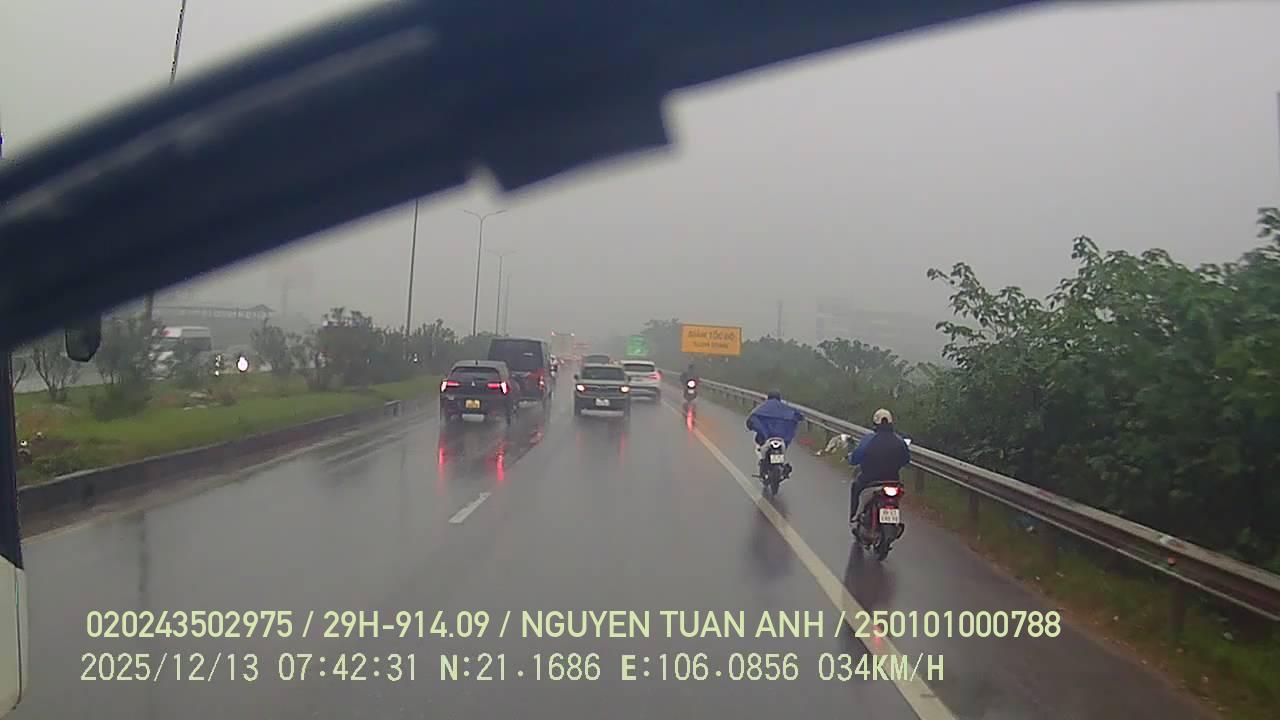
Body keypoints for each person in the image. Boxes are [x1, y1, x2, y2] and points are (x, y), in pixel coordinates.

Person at [848, 408, 911, 527]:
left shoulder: (869, 439)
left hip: (870, 479)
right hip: (893, 480)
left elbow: (856, 458)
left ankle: (854, 516)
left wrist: (851, 460)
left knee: (855, 487)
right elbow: (906, 460)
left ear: (875, 423)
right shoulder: (899, 441)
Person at [746, 390, 803, 479]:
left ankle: (764, 463)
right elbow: (797, 415)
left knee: (759, 446)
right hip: (781, 439)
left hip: (767, 438)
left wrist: (753, 426)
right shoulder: (784, 408)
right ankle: (780, 467)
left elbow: (753, 417)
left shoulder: (764, 407)